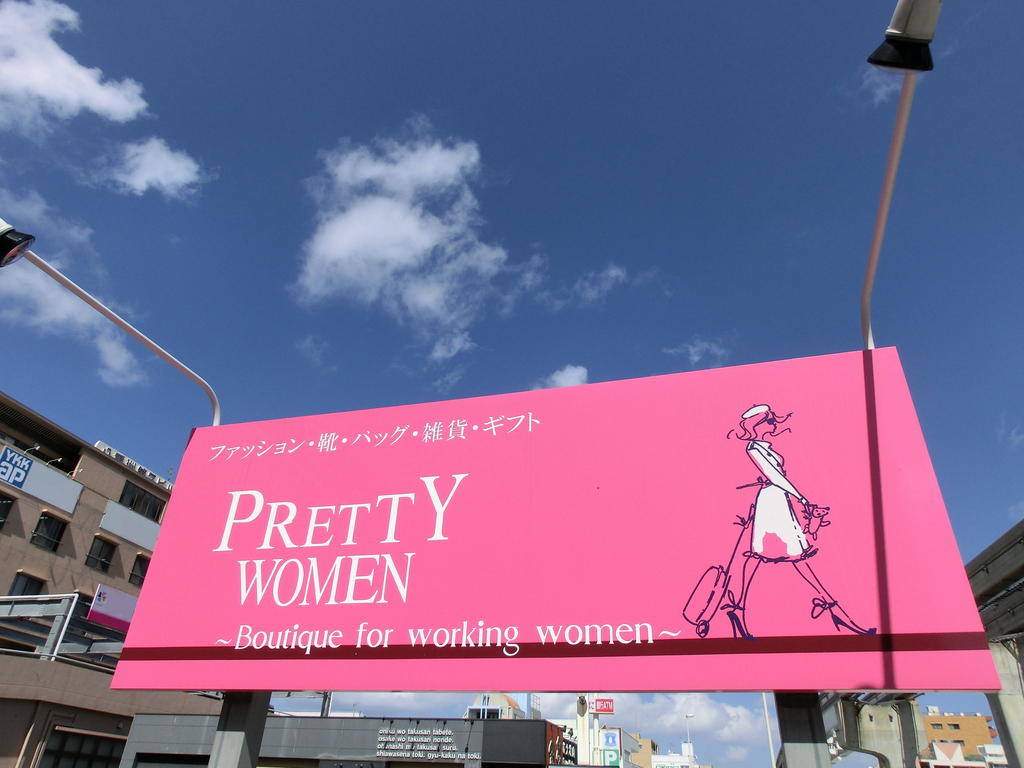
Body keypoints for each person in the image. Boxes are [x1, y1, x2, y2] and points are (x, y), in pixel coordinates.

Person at [722, 404, 875, 640]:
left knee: (784, 556)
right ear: (758, 424)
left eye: (773, 420)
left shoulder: (766, 447)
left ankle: (739, 611)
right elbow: (775, 476)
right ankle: (837, 613)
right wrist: (802, 498)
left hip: (780, 501)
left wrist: (797, 498)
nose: (774, 424)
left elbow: (778, 478)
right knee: (769, 555)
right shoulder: (753, 448)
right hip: (771, 503)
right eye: (770, 420)